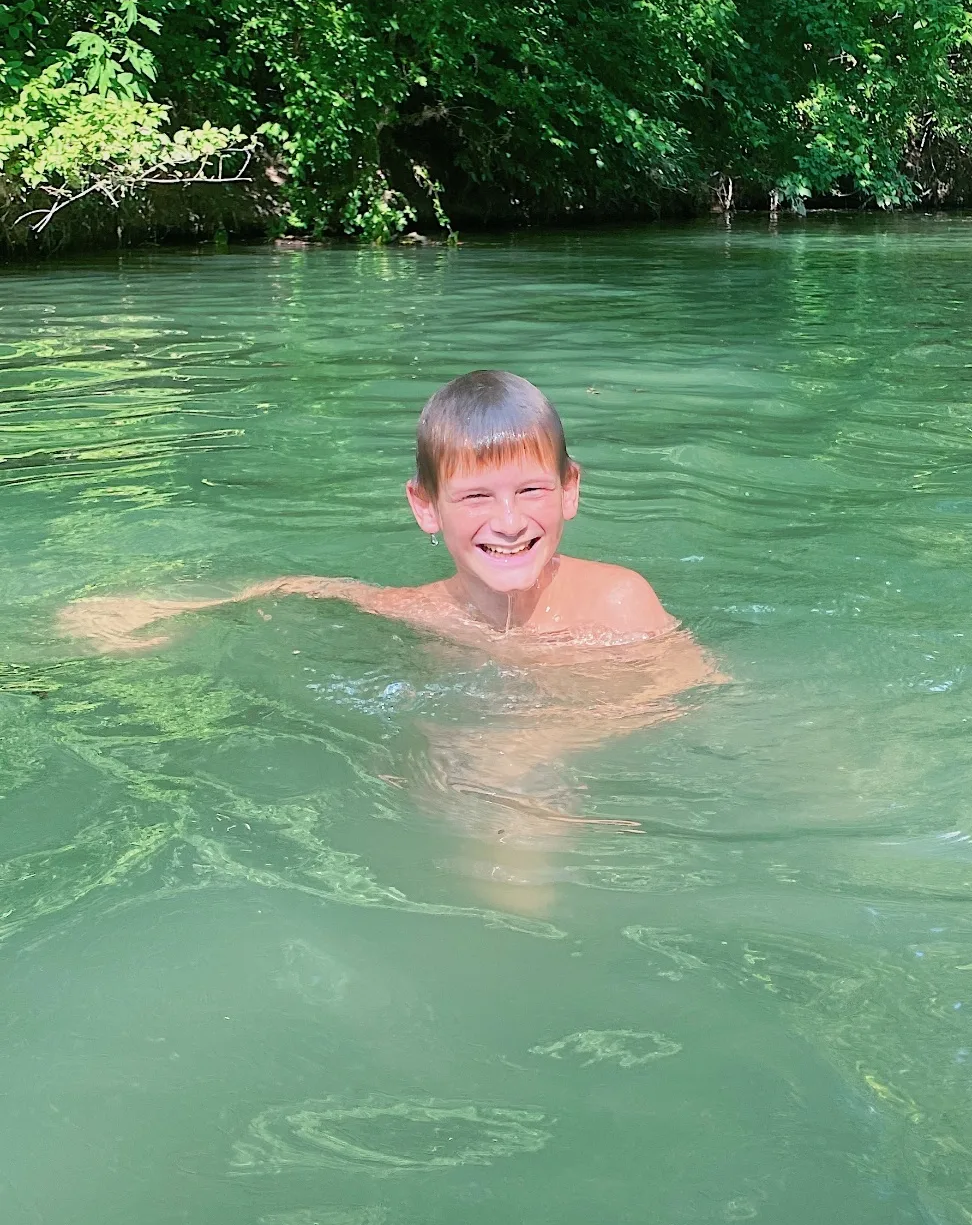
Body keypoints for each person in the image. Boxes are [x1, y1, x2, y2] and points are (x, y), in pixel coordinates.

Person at [59, 372, 726, 894]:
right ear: (426, 507)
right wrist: (156, 609)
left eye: (531, 491)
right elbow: (304, 587)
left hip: (586, 797)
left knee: (508, 846)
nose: (508, 521)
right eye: (475, 497)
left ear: (569, 490)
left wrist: (533, 745)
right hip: (480, 788)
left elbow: (697, 695)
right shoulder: (418, 611)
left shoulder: (616, 600)